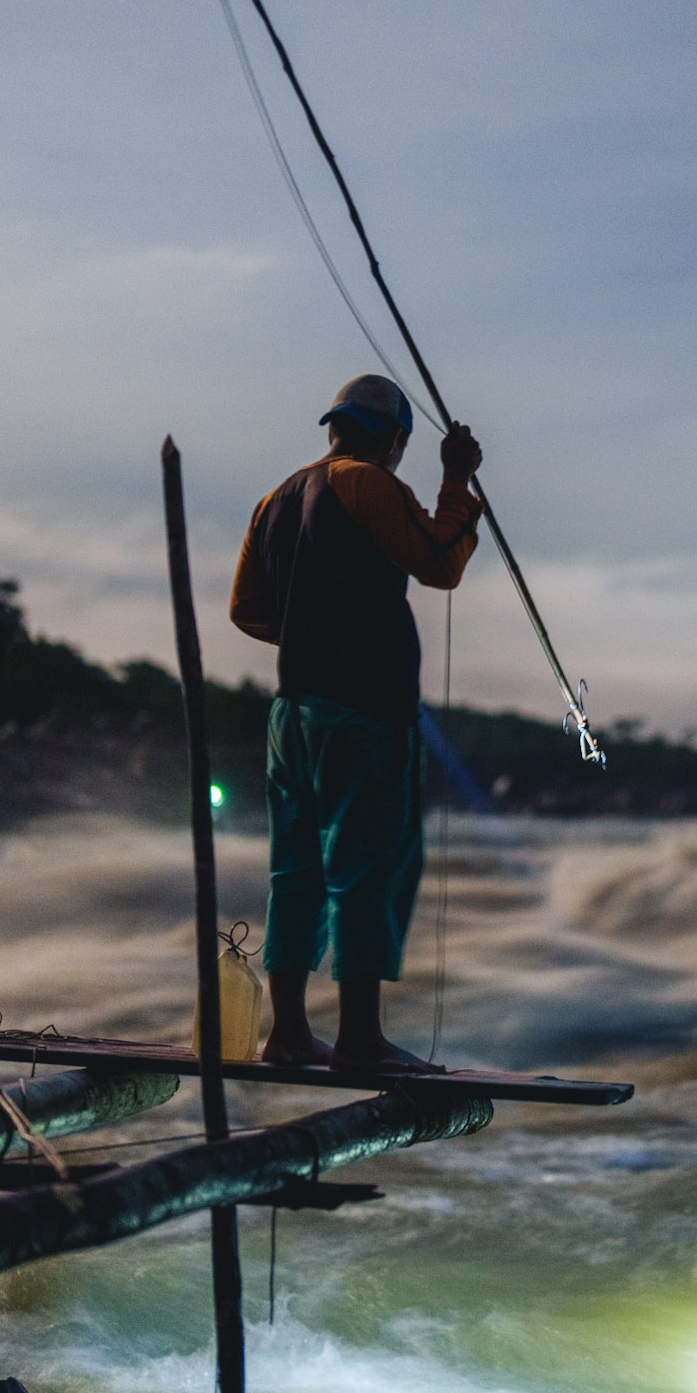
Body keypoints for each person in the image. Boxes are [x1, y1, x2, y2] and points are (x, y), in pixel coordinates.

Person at [230, 374, 482, 1069]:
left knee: (298, 870)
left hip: (292, 714)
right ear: (395, 440)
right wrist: (457, 481)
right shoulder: (368, 483)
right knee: (367, 867)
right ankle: (360, 1041)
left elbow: (247, 612)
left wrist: (314, 631)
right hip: (364, 713)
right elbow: (437, 563)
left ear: (334, 424)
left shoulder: (273, 499)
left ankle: (286, 1035)